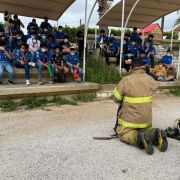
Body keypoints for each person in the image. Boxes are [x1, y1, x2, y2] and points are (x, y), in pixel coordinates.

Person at [112, 58, 168, 155]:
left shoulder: (126, 80)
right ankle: (156, 133)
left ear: (131, 68)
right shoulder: (150, 79)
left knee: (123, 133)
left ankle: (139, 139)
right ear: (143, 67)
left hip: (129, 122)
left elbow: (116, 98)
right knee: (146, 132)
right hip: (146, 122)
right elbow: (154, 87)